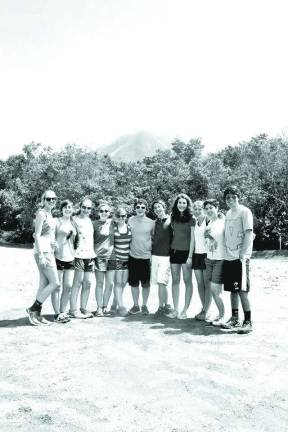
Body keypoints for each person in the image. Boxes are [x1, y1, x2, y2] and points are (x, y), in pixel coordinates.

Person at [222, 186, 254, 334]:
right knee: (232, 290)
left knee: (242, 290)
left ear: (238, 197)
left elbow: (248, 233)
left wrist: (243, 253)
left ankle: (248, 322)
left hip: (241, 257)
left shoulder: (245, 211)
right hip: (229, 256)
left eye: (233, 196)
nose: (231, 200)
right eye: (227, 197)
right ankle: (235, 319)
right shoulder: (228, 213)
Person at [26, 190, 60, 325]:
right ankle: (33, 308)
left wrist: (53, 243)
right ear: (43, 200)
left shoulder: (50, 214)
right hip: (43, 252)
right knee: (55, 283)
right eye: (48, 199)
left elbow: (47, 235)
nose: (51, 201)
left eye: (54, 199)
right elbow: (37, 235)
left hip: (48, 251)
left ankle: (36, 315)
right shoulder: (41, 213)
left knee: (44, 284)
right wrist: (41, 255)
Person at [167, 193, 195, 319]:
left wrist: (190, 256)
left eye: (184, 203)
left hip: (186, 253)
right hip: (174, 252)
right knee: (175, 281)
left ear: (187, 204)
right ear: (176, 204)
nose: (182, 205)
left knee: (187, 281)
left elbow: (193, 239)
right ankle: (176, 309)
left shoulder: (191, 218)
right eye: (179, 203)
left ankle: (185, 310)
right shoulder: (173, 217)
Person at [128, 199, 155, 315]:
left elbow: (153, 238)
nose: (140, 209)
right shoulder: (130, 220)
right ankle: (135, 305)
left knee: (145, 284)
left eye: (143, 207)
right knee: (134, 283)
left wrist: (151, 256)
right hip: (132, 256)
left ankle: (144, 305)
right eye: (138, 207)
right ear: (135, 208)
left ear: (146, 209)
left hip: (146, 257)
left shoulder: (151, 222)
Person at [69, 197, 95, 318]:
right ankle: (73, 310)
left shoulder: (89, 220)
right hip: (78, 255)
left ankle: (83, 308)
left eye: (88, 208)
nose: (86, 209)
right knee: (77, 282)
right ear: (80, 207)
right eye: (84, 207)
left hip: (89, 256)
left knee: (88, 283)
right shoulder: (73, 219)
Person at [52, 199, 77, 323]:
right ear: (61, 209)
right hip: (58, 257)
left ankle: (63, 311)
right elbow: (50, 237)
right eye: (65, 207)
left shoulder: (74, 223)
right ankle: (56, 314)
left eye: (70, 207)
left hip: (70, 258)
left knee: (68, 286)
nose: (68, 209)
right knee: (57, 286)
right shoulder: (57, 221)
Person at [203, 199, 225, 326]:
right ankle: (219, 314)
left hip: (220, 259)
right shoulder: (209, 222)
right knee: (213, 290)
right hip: (209, 259)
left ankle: (222, 316)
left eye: (211, 207)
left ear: (217, 207)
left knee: (215, 289)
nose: (209, 210)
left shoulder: (223, 222)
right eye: (206, 208)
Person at [151, 200, 173, 319]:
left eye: (159, 207)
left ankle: (161, 307)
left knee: (161, 282)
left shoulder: (170, 220)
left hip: (166, 256)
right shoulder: (155, 222)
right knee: (160, 283)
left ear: (164, 207)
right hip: (155, 255)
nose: (157, 209)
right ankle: (166, 305)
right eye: (155, 208)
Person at [93, 201, 115, 316]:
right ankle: (99, 308)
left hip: (112, 257)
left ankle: (106, 306)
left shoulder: (113, 223)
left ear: (109, 212)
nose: (104, 213)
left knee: (110, 284)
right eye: (101, 211)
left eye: (106, 211)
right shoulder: (94, 224)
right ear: (98, 212)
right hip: (99, 257)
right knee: (100, 283)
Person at [192, 200, 212, 321]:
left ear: (204, 209)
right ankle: (203, 308)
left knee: (207, 284)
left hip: (206, 255)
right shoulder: (194, 222)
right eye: (195, 209)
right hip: (196, 255)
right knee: (199, 285)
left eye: (200, 209)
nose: (198, 211)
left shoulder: (208, 220)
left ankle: (206, 310)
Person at [111, 206, 132, 316]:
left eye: (123, 216)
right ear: (116, 216)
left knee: (123, 283)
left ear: (126, 216)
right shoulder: (113, 228)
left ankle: (114, 303)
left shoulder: (129, 227)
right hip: (116, 259)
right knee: (118, 283)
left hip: (127, 259)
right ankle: (121, 306)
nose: (121, 218)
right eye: (119, 216)